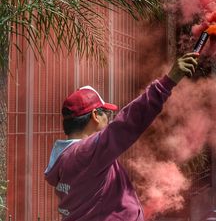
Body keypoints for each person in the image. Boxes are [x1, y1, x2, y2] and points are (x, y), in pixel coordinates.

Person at [44, 52, 199, 221]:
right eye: (106, 114)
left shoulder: (63, 157)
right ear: (95, 115)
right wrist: (168, 81)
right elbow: (127, 122)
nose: (109, 119)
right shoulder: (87, 152)